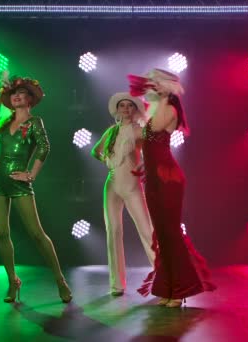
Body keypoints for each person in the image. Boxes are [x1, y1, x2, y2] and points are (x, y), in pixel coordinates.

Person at [128, 68, 216, 308]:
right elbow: (145, 140)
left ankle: (180, 289)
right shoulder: (156, 108)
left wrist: (159, 98)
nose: (151, 86)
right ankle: (168, 288)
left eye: (157, 83)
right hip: (155, 178)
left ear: (167, 87)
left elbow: (154, 127)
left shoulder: (169, 109)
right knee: (163, 235)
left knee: (171, 233)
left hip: (168, 178)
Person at [0, 72, 72, 303]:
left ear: (30, 100)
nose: (17, 97)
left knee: (36, 234)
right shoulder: (4, 124)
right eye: (14, 94)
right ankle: (13, 282)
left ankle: (60, 280)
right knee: (2, 233)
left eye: (22, 94)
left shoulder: (34, 122)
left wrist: (31, 173)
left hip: (20, 183)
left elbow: (45, 148)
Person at [90, 92, 156, 296]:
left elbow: (152, 153)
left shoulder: (139, 131)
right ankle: (116, 284)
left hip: (132, 185)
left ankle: (167, 278)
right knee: (113, 231)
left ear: (135, 109)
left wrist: (145, 165)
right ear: (117, 110)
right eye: (122, 106)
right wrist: (106, 162)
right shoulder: (111, 131)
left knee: (147, 231)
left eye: (130, 106)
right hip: (111, 185)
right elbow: (95, 151)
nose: (126, 109)